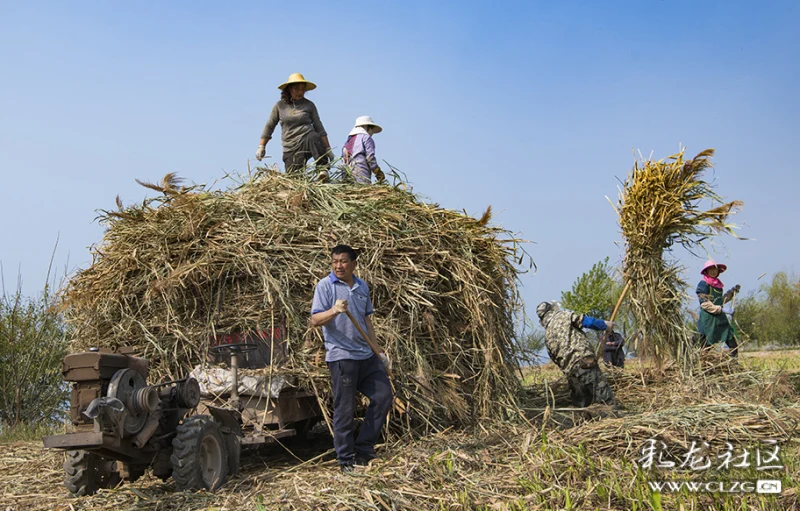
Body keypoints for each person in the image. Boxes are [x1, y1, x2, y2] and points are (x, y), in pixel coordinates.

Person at [311, 244, 392, 472]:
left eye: (344, 261)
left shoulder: (361, 287)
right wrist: (333, 311)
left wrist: (378, 351)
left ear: (354, 264)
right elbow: (315, 320)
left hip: (366, 356)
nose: (338, 265)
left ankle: (364, 450)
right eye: (335, 261)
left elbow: (367, 322)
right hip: (342, 356)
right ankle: (346, 459)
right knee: (344, 409)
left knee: (384, 396)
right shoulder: (325, 286)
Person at [537, 301, 616, 407]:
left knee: (581, 403)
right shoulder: (563, 316)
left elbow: (554, 358)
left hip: (571, 372)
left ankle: (585, 421)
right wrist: (605, 325)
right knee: (604, 398)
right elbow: (586, 322)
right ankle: (610, 417)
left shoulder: (547, 335)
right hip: (584, 361)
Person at [256, 73, 332, 180]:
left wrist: (328, 149)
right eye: (297, 89)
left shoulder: (309, 105)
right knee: (295, 179)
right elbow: (270, 126)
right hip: (290, 147)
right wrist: (261, 146)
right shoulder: (280, 106)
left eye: (302, 89)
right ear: (289, 89)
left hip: (306, 141)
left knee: (314, 136)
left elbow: (319, 127)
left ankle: (322, 169)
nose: (300, 92)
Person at [696, 260, 740, 358]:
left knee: (733, 345)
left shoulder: (718, 285)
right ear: (706, 271)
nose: (713, 271)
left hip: (720, 319)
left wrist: (732, 293)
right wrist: (721, 309)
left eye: (715, 269)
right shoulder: (703, 284)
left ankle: (733, 365)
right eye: (710, 269)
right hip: (708, 320)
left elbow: (720, 300)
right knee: (705, 348)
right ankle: (703, 368)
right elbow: (704, 304)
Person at [342, 116, 385, 184]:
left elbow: (344, 158)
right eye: (371, 129)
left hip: (347, 174)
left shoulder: (348, 140)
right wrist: (377, 171)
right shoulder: (366, 138)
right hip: (361, 173)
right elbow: (370, 157)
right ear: (367, 127)